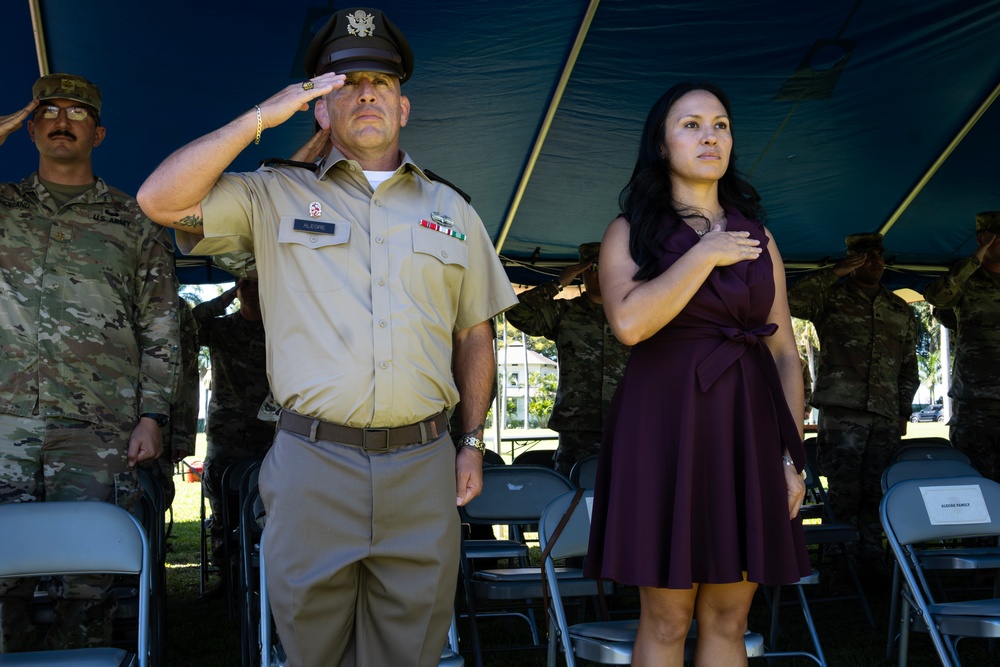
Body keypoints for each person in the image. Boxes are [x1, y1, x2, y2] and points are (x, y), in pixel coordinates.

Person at [136, 8, 518, 666]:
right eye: (347, 83)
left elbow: (475, 335)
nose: (367, 93)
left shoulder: (452, 208)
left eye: (382, 82)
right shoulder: (273, 194)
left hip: (423, 463)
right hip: (314, 463)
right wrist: (262, 117)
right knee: (314, 653)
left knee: (411, 654)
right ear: (319, 108)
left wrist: (474, 441)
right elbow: (160, 200)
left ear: (403, 108)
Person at [585, 82, 810, 666]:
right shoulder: (629, 230)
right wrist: (705, 252)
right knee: (667, 620)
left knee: (730, 618)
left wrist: (790, 457)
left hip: (747, 432)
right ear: (662, 145)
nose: (710, 136)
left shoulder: (759, 236)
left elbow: (785, 353)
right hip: (664, 429)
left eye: (720, 125)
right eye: (691, 125)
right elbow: (630, 324)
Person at [0, 74, 179, 652]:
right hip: (5, 425)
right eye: (49, 112)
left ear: (98, 134)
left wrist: (152, 415)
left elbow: (160, 323)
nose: (62, 121)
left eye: (78, 114)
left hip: (98, 427)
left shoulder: (135, 220)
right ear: (29, 128)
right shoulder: (3, 206)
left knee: (87, 582)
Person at [787, 232, 919, 574]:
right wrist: (836, 271)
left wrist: (903, 411)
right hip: (842, 413)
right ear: (852, 259)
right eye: (866, 256)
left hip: (885, 415)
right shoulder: (830, 297)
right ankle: (840, 567)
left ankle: (872, 564)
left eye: (879, 255)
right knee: (843, 492)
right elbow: (790, 299)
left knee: (877, 492)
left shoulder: (898, 308)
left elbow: (908, 366)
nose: (875, 262)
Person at [505, 242, 629, 475]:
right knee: (572, 489)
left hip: (627, 422)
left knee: (627, 489)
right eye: (592, 268)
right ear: (580, 274)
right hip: (576, 426)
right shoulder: (564, 312)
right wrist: (558, 284)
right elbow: (516, 313)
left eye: (607, 267)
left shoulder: (634, 313)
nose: (599, 275)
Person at [192, 278, 275, 592]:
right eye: (245, 284)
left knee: (268, 506)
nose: (252, 290)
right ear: (236, 290)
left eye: (258, 284)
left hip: (270, 434)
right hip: (225, 434)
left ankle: (266, 576)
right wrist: (223, 300)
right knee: (222, 509)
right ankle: (227, 579)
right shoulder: (220, 328)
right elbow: (187, 324)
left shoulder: (280, 328)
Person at [924, 211, 1000, 481]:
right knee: (973, 482)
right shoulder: (966, 279)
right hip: (975, 401)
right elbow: (936, 297)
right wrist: (973, 260)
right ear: (983, 239)